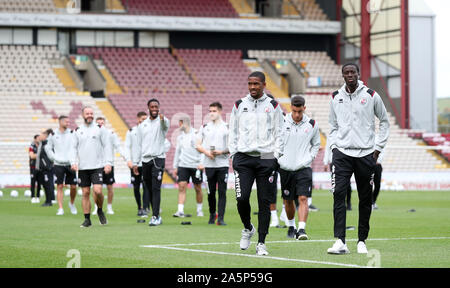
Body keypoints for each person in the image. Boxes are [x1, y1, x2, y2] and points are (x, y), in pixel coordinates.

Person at [327, 63, 390, 254]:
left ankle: (361, 240)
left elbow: (385, 122)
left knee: (365, 198)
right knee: (338, 193)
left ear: (358, 74)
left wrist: (378, 149)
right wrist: (333, 146)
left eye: (353, 72)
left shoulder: (371, 96)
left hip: (365, 154)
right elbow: (332, 125)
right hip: (342, 153)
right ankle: (340, 240)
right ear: (343, 76)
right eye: (346, 73)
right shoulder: (335, 97)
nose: (350, 75)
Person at [229, 71, 284, 256]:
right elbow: (233, 132)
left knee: (264, 202)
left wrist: (276, 156)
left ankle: (261, 242)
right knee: (242, 198)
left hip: (266, 157)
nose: (252, 87)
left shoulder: (273, 106)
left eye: (256, 84)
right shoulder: (239, 105)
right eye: (250, 84)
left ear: (264, 85)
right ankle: (248, 228)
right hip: (243, 158)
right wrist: (234, 154)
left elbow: (280, 133)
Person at [278, 95, 320, 240]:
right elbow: (276, 141)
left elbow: (316, 144)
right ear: (291, 108)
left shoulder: (312, 124)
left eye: (300, 112)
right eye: (295, 111)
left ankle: (301, 229)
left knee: (303, 198)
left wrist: (310, 158)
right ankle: (291, 226)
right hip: (285, 168)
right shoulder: (282, 121)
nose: (297, 115)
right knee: (288, 200)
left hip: (304, 167)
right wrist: (279, 159)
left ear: (304, 109)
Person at [70, 106, 113, 228]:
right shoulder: (77, 131)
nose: (89, 115)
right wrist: (73, 162)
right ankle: (87, 219)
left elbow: (107, 146)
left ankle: (100, 209)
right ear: (82, 115)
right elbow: (73, 148)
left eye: (91, 113)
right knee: (85, 193)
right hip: (83, 167)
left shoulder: (100, 129)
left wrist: (108, 162)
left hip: (97, 166)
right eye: (87, 113)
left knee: (98, 191)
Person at [132, 99, 170, 226]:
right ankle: (155, 213)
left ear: (159, 107)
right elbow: (138, 145)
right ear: (148, 108)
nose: (154, 108)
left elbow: (165, 126)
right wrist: (135, 163)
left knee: (156, 187)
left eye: (156, 106)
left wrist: (163, 119)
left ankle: (155, 216)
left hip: (158, 159)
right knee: (148, 187)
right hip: (145, 160)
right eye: (152, 106)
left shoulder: (163, 121)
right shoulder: (142, 125)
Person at [196, 102, 230, 225]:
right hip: (209, 164)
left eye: (214, 111)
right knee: (210, 192)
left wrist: (221, 152)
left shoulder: (227, 127)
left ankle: (220, 218)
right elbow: (198, 145)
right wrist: (207, 152)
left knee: (222, 192)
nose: (211, 113)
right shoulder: (205, 127)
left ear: (220, 112)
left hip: (222, 164)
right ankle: (212, 214)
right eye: (210, 111)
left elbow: (233, 146)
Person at [173, 114, 204, 218]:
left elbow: (203, 149)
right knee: (182, 186)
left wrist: (202, 163)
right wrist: (175, 166)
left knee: (197, 188)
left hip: (196, 165)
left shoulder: (196, 134)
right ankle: (180, 210)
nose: (179, 125)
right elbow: (177, 152)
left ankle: (199, 210)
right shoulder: (180, 137)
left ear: (185, 123)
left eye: (180, 123)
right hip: (183, 165)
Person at [45, 115, 78, 215]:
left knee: (73, 187)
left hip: (70, 164)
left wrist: (74, 161)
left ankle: (71, 203)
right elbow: (48, 148)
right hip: (58, 164)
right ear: (60, 122)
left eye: (69, 122)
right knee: (59, 186)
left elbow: (75, 147)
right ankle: (60, 208)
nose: (68, 124)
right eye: (66, 122)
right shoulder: (53, 134)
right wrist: (54, 158)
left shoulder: (72, 133)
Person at [95, 117, 126, 215]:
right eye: (98, 123)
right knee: (96, 188)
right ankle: (97, 207)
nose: (100, 125)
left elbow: (117, 146)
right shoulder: (93, 135)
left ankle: (109, 207)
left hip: (109, 164)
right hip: (96, 164)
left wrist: (125, 156)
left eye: (102, 123)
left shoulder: (111, 134)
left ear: (105, 124)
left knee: (109, 187)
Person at [125, 111, 151, 217]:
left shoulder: (150, 131)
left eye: (146, 119)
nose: (144, 121)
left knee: (146, 186)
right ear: (138, 119)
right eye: (142, 119)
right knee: (136, 187)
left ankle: (145, 208)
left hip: (146, 163)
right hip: (135, 164)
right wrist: (128, 160)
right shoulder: (131, 131)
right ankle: (139, 207)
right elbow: (127, 146)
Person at [324, 137, 352, 211]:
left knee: (347, 184)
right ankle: (339, 204)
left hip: (345, 161)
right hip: (333, 162)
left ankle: (348, 203)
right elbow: (327, 149)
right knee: (336, 185)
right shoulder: (331, 136)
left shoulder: (345, 133)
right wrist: (325, 162)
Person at [36, 129, 55, 207]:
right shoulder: (42, 144)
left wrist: (48, 165)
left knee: (48, 185)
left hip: (47, 169)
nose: (40, 136)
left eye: (42, 134)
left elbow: (51, 156)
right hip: (43, 168)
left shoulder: (48, 144)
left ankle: (49, 201)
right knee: (45, 185)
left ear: (46, 136)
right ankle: (47, 200)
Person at [29, 134, 41, 204]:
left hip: (40, 167)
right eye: (38, 138)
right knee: (33, 182)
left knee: (39, 183)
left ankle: (38, 197)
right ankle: (33, 197)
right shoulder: (32, 146)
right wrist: (39, 155)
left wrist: (36, 155)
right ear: (35, 139)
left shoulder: (41, 146)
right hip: (33, 167)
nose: (39, 139)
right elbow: (32, 156)